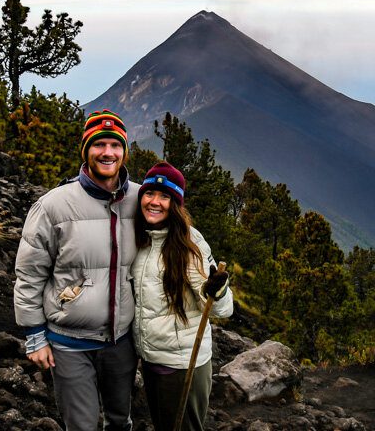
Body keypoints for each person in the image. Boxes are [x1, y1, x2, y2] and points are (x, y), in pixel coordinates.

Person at [14, 109, 139, 431]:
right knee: (82, 426)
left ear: (125, 151)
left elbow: (179, 236)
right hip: (70, 343)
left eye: (115, 145)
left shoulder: (142, 199)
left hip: (121, 341)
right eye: (99, 145)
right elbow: (29, 274)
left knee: (120, 422)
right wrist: (34, 337)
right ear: (86, 150)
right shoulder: (54, 205)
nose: (108, 153)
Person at [130, 161, 233, 431]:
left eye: (165, 196)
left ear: (175, 204)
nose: (155, 202)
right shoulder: (142, 239)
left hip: (183, 365)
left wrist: (217, 292)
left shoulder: (190, 245)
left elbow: (222, 309)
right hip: (152, 360)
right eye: (149, 194)